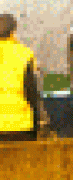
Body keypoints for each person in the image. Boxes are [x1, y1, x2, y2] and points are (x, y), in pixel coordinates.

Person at [0, 14, 43, 142]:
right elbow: (31, 93)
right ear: (13, 32)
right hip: (20, 127)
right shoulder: (24, 54)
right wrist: (36, 126)